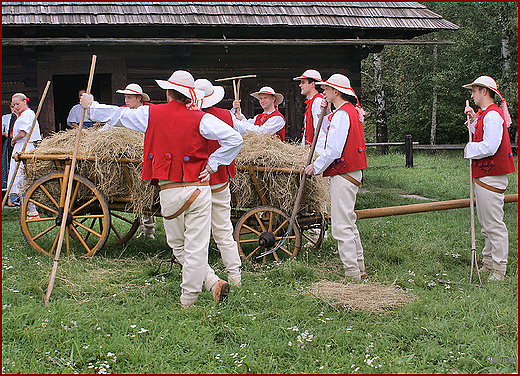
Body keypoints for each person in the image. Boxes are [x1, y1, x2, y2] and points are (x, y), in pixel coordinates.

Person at [80, 70, 243, 308]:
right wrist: (213, 163)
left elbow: (119, 114)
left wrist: (91, 106)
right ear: (190, 96)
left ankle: (204, 287)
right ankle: (195, 295)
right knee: (197, 246)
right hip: (200, 189)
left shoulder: (150, 114)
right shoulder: (202, 118)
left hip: (171, 191)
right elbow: (235, 139)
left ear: (168, 92)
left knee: (179, 246)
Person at [304, 74, 367, 281]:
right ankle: (359, 267)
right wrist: (327, 111)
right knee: (349, 221)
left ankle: (352, 274)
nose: (324, 92)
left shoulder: (342, 115)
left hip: (343, 173)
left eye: (327, 89)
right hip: (351, 172)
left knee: (341, 226)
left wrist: (316, 166)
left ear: (336, 92)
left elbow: (333, 150)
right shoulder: (347, 111)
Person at [463, 75, 516, 282]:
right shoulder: (485, 115)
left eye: (474, 91)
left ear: (484, 91)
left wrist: (469, 148)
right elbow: (479, 134)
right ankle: (488, 261)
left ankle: (499, 267)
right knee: (486, 223)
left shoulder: (493, 115)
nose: (472, 95)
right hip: (486, 176)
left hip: (491, 177)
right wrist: (473, 120)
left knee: (494, 224)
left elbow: (490, 146)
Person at [195, 78, 242, 288]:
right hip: (220, 179)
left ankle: (205, 276)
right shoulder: (226, 115)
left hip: (197, 179)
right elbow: (239, 137)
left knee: (198, 230)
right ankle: (234, 275)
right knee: (223, 228)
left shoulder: (194, 117)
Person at [115, 83, 157, 239]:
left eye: (130, 97)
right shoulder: (123, 111)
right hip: (128, 157)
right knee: (134, 193)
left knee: (146, 192)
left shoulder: (149, 112)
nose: (126, 100)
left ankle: (149, 230)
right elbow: (111, 124)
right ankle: (141, 227)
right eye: (125, 97)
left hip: (146, 155)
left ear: (139, 98)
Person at [7, 93, 41, 217]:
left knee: (22, 177)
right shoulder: (21, 115)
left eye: (17, 104)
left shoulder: (27, 114)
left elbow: (23, 133)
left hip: (25, 146)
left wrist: (13, 140)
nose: (15, 106)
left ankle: (32, 210)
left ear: (24, 102)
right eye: (13, 104)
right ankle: (28, 208)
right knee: (19, 178)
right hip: (21, 146)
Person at [293, 69, 329, 154]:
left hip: (315, 153)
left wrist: (317, 154)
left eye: (303, 82)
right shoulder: (313, 101)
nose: (300, 85)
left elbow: (320, 131)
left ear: (312, 84)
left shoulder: (317, 101)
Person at [2, 102, 16, 196]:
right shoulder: (5, 117)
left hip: (19, 141)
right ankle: (8, 195)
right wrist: (5, 134)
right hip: (9, 142)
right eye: (12, 106)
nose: (14, 108)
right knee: (8, 165)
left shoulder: (23, 116)